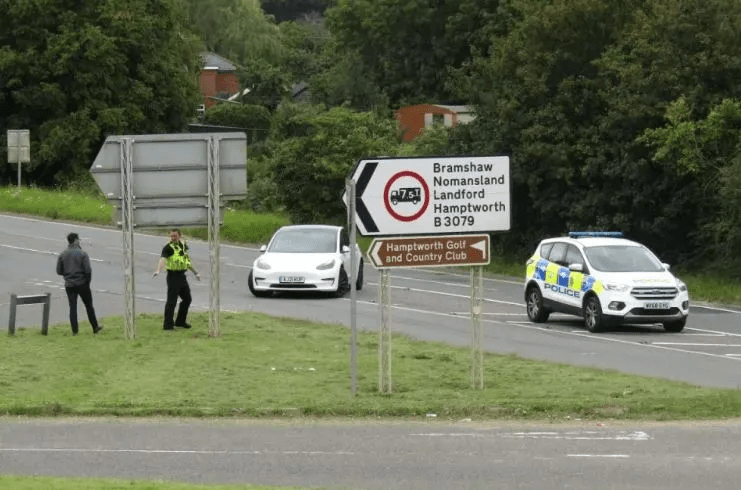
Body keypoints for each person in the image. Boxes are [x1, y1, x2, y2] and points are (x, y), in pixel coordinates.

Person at [56, 232, 103, 335]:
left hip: (69, 284)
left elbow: (59, 271)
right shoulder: (82, 254)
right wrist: (87, 282)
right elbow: (88, 270)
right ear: (76, 240)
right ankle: (95, 327)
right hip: (82, 283)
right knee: (89, 306)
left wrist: (67, 275)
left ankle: (75, 331)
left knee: (72, 307)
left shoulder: (62, 254)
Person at [153, 229, 200, 330]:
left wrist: (195, 272)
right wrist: (158, 270)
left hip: (182, 275)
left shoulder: (183, 245)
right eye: (172, 236)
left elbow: (186, 260)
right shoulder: (168, 247)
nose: (173, 238)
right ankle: (168, 325)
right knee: (172, 301)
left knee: (187, 299)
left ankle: (180, 321)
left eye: (175, 236)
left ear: (179, 236)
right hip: (173, 276)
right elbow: (162, 259)